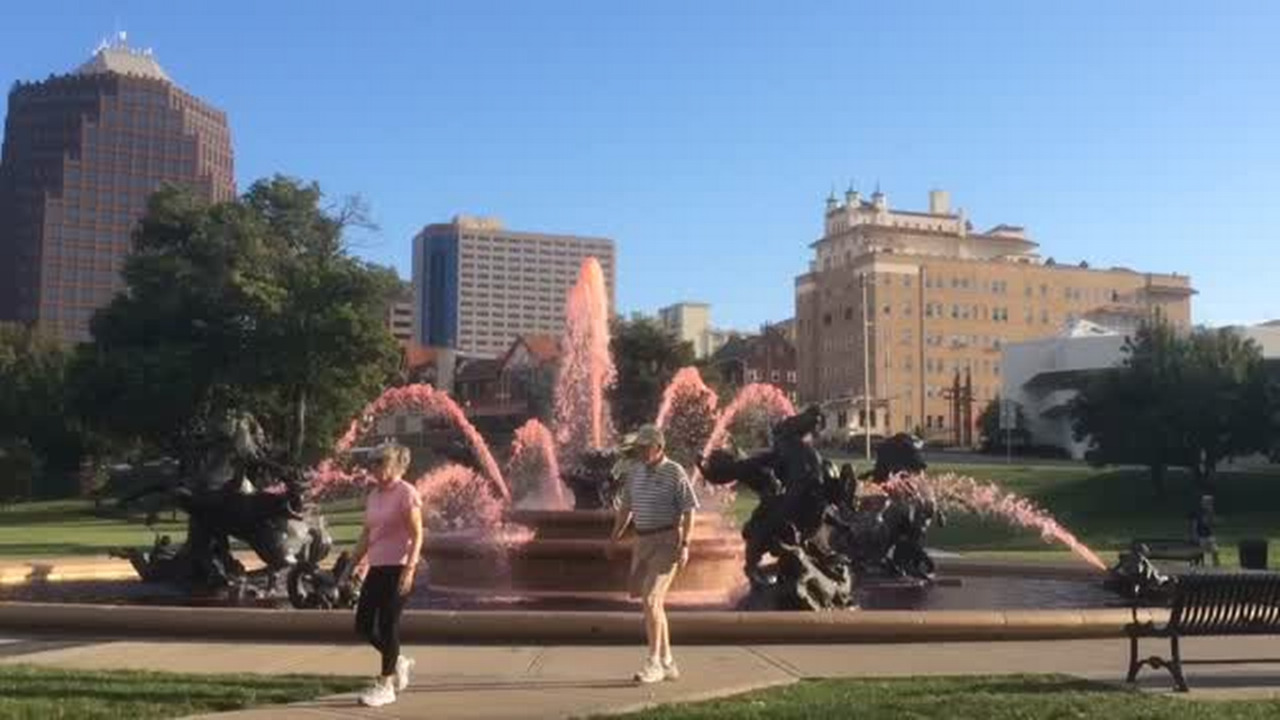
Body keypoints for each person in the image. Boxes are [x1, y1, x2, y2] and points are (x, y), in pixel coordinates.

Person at [609, 425, 698, 684]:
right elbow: (625, 509)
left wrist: (685, 544)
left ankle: (654, 663)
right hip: (642, 542)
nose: (640, 452)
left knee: (650, 598)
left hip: (667, 541)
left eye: (645, 447)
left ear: (659, 447)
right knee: (653, 603)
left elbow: (690, 510)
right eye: (638, 448)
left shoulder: (674, 471)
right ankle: (668, 661)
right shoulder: (634, 472)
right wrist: (614, 538)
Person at [350, 443, 424, 707]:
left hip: (399, 567)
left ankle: (386, 685)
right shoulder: (374, 496)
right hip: (377, 567)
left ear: (395, 464)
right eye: (373, 463)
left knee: (388, 624)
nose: (374, 468)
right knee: (363, 626)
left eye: (380, 462)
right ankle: (398, 661)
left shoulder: (407, 493)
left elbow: (417, 535)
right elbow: (367, 535)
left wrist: (410, 569)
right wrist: (351, 565)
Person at [1189, 494, 1219, 567]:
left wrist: (1211, 515)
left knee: (1215, 550)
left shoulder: (1210, 512)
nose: (1208, 504)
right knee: (1200, 552)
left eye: (1209, 502)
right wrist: (1195, 535)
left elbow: (1212, 524)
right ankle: (1197, 565)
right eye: (1206, 502)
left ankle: (1216, 565)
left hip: (1209, 535)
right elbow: (1194, 524)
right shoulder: (1198, 512)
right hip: (1201, 535)